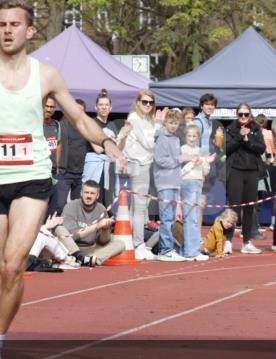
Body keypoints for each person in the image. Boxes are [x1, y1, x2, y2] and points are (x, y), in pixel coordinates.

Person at [0, 0, 126, 359]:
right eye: (1, 24)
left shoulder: (46, 76)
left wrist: (108, 140)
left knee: (14, 263)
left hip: (32, 179)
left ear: (29, 31)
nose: (6, 30)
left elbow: (80, 119)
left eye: (14, 24)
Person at [117, 90, 165, 260]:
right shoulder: (135, 119)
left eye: (151, 102)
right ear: (138, 102)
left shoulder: (146, 120)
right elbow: (149, 143)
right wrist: (159, 124)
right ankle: (138, 245)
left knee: (136, 207)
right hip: (137, 164)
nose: (147, 105)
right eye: (144, 102)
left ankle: (130, 242)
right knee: (140, 207)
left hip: (143, 164)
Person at [52, 180, 125, 265]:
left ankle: (89, 260)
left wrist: (105, 230)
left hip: (91, 248)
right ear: (81, 193)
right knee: (59, 228)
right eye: (86, 192)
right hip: (71, 247)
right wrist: (96, 226)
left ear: (97, 196)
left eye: (92, 193)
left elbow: (103, 242)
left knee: (120, 244)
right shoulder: (71, 206)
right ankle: (80, 258)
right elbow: (71, 236)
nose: (89, 196)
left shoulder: (101, 209)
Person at [225, 103, 266, 254]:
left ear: (250, 114)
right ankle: (228, 241)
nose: (243, 117)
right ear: (237, 114)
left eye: (246, 114)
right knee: (233, 206)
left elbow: (261, 148)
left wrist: (248, 140)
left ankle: (246, 242)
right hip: (235, 170)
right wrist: (239, 137)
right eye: (240, 114)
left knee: (250, 207)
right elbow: (226, 148)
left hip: (252, 171)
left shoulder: (256, 127)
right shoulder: (230, 128)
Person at [153, 109, 185, 261]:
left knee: (171, 218)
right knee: (166, 217)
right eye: (171, 123)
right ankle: (165, 249)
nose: (173, 126)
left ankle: (168, 247)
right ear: (165, 122)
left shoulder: (176, 139)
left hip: (174, 182)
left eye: (176, 123)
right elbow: (160, 160)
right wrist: (179, 159)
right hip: (164, 182)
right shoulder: (161, 138)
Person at [179, 122, 210, 261]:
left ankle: (191, 248)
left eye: (194, 136)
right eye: (189, 136)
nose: (192, 138)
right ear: (185, 136)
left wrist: (204, 162)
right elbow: (181, 171)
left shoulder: (200, 150)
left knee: (195, 218)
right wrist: (193, 162)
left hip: (198, 183)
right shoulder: (182, 150)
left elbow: (205, 171)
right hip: (187, 183)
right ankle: (190, 251)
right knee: (190, 218)